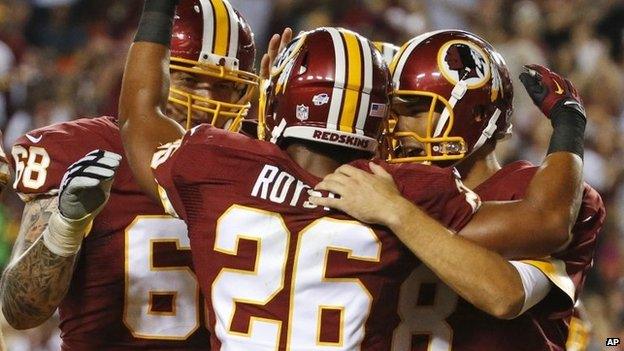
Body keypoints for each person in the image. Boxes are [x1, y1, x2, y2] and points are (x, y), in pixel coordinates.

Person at [118, 2, 585, 348]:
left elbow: (139, 118)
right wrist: (568, 124)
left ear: (276, 99)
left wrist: (159, 8)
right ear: (374, 115)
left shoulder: (215, 164)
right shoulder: (403, 190)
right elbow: (544, 221)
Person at [310, 30, 603, 350]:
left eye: (416, 109)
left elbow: (506, 293)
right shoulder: (389, 182)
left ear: (476, 114)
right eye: (393, 113)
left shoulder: (543, 193)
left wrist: (396, 212)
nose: (397, 126)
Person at [0, 0, 259, 348]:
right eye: (189, 79)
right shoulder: (88, 151)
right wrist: (65, 227)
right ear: (151, 71)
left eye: (222, 85)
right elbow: (21, 309)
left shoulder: (255, 161)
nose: (208, 100)